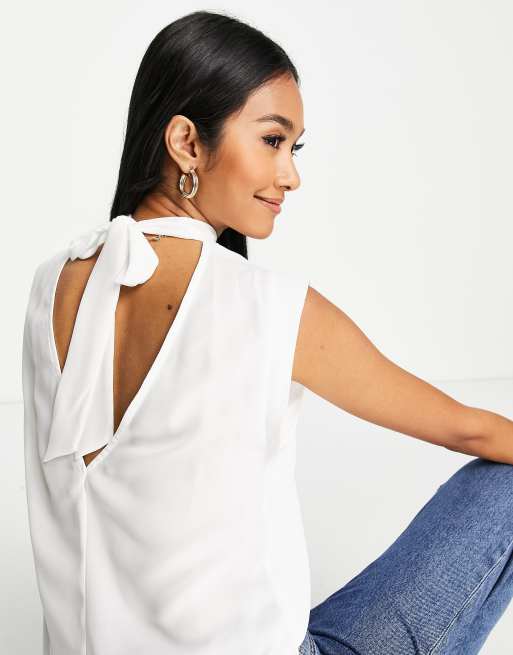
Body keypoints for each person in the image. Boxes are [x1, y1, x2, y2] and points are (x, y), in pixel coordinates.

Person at [21, 10, 513, 655]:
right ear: (186, 142)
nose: (291, 175)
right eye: (273, 140)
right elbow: (472, 431)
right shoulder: (266, 304)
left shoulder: (51, 285)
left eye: (293, 148)